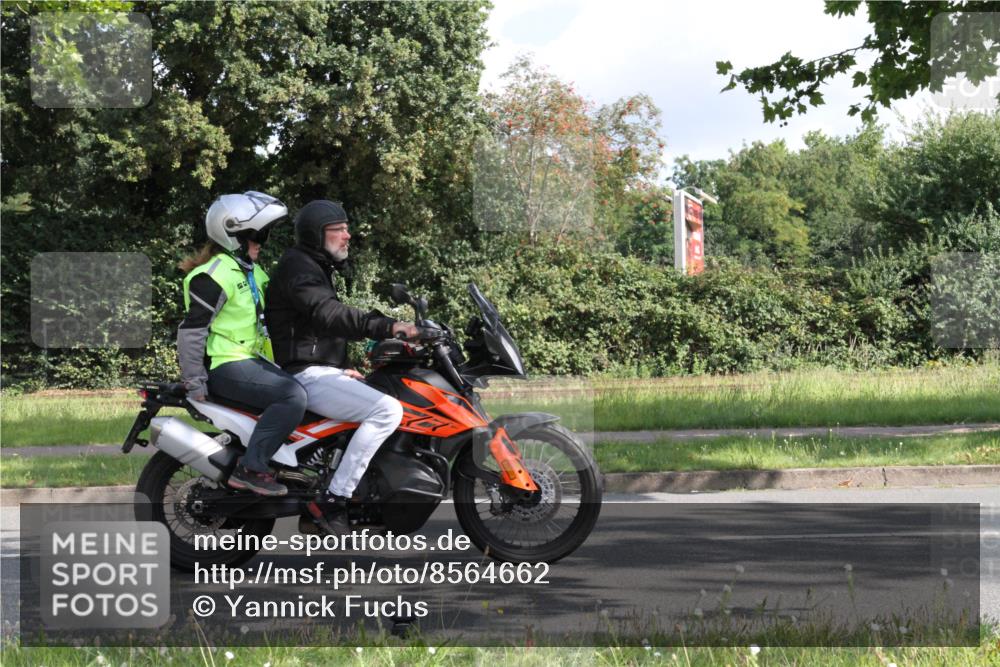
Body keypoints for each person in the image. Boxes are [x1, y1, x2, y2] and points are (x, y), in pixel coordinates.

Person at [265, 200, 418, 534]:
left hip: (320, 370)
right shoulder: (299, 269)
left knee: (383, 393)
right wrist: (388, 326)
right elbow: (329, 315)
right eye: (338, 229)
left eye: (346, 228)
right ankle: (334, 500)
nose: (347, 235)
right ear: (315, 235)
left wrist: (344, 366)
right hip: (306, 375)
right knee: (387, 411)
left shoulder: (311, 267)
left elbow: (316, 330)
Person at [177, 191, 307, 497]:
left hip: (253, 363)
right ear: (234, 234)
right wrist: (194, 380)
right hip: (226, 364)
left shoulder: (255, 273)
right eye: (258, 235)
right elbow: (192, 331)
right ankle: (251, 467)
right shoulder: (212, 276)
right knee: (292, 397)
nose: (262, 241)